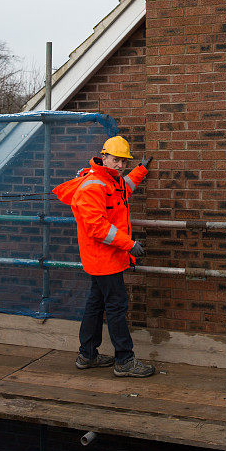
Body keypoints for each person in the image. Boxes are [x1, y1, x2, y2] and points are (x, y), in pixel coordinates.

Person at [53, 135, 155, 377]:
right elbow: (96, 227)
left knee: (96, 305)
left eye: (124, 161)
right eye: (116, 159)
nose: (121, 165)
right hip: (104, 259)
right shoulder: (94, 186)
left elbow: (124, 190)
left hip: (102, 259)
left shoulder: (110, 180)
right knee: (117, 306)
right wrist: (129, 244)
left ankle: (87, 355)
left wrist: (140, 170)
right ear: (104, 157)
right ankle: (124, 361)